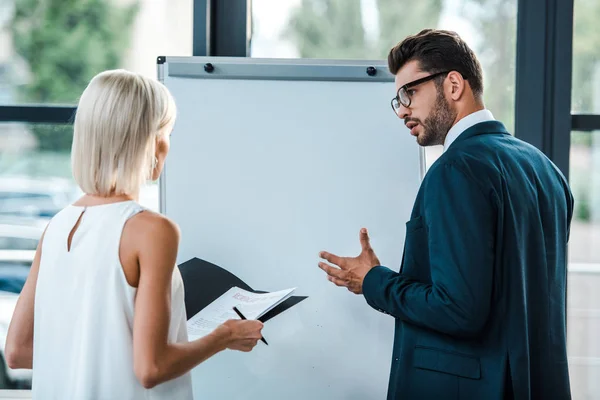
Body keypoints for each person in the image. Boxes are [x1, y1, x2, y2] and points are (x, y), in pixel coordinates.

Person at [318, 29, 573, 400]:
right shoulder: (546, 170)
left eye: (410, 93)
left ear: (453, 84)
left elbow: (458, 309)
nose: (403, 109)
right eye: (398, 99)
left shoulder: (457, 169)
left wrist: (372, 281)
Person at [5, 69, 264, 399]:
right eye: (167, 132)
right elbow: (151, 369)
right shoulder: (152, 230)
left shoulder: (57, 227)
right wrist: (224, 336)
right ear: (155, 143)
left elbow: (18, 350)